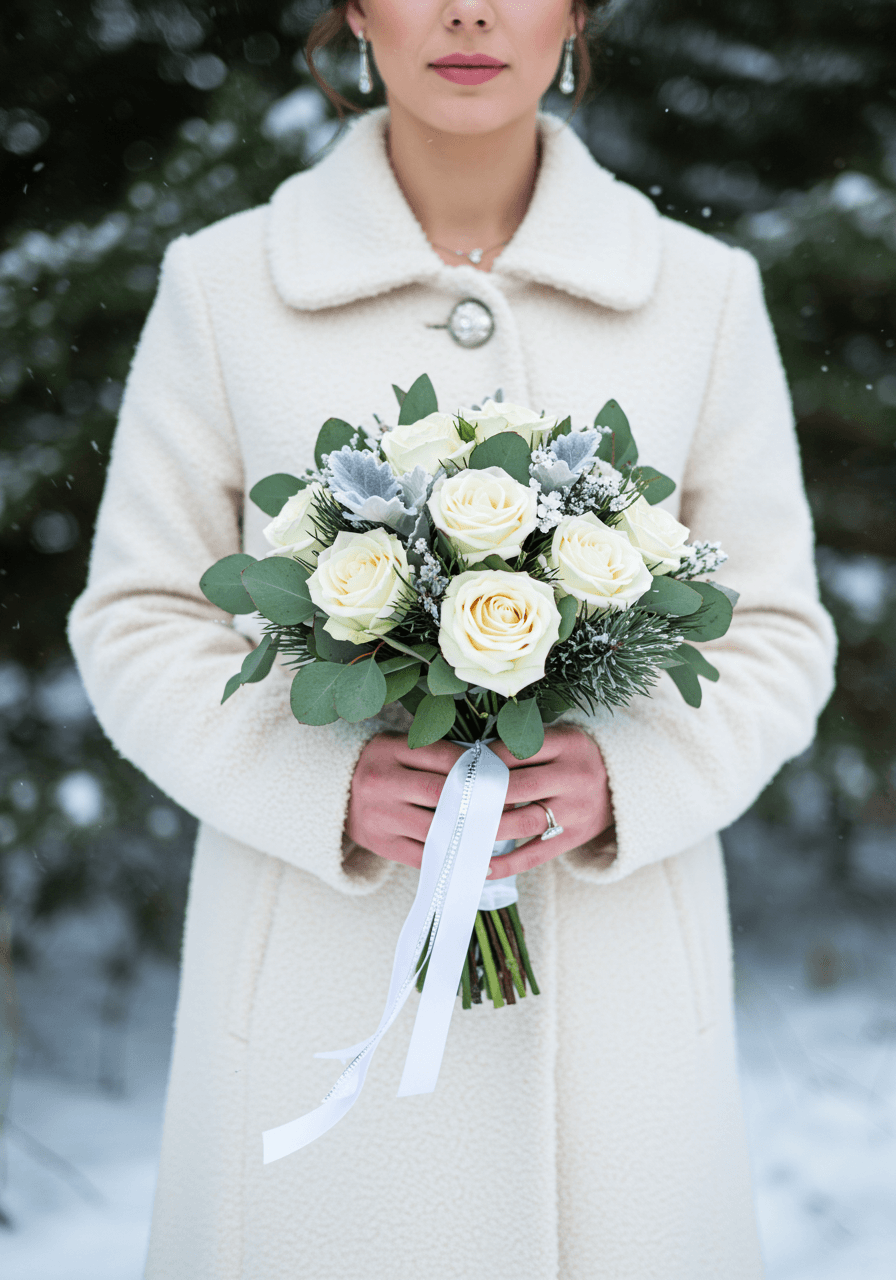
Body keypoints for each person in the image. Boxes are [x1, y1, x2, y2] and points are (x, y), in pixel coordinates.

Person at [68, 0, 835, 1275]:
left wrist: (625, 777)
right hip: (317, 974)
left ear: (577, 12)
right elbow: (137, 617)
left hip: (619, 1012)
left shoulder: (699, 295)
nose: (469, 12)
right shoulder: (222, 284)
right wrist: (322, 777)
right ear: (356, 10)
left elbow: (774, 627)